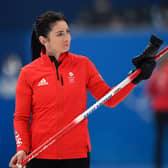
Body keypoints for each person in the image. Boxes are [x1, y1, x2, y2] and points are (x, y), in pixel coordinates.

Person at [9, 11, 159, 168]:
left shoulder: (83, 65)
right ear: (43, 40)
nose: (67, 38)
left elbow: (110, 98)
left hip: (77, 155)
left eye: (68, 32)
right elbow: (21, 117)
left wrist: (135, 78)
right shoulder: (28, 73)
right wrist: (22, 148)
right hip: (40, 154)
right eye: (60, 34)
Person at [145, 57, 168, 168]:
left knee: (159, 138)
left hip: (158, 109)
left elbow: (150, 91)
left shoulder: (157, 73)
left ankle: (158, 165)